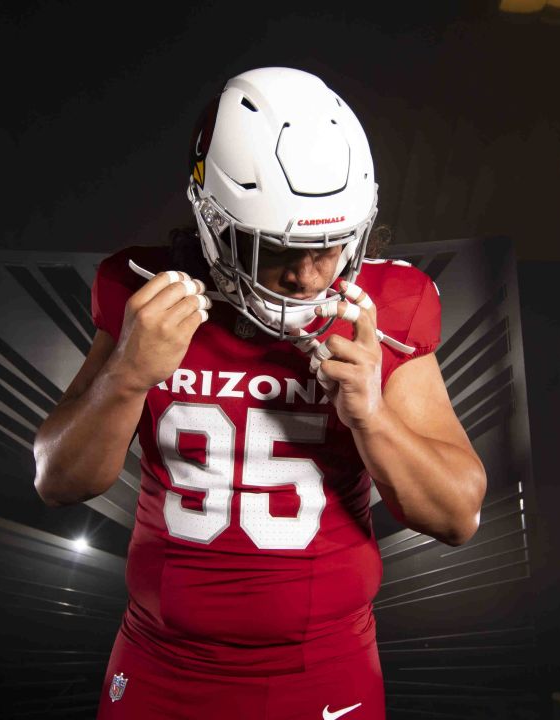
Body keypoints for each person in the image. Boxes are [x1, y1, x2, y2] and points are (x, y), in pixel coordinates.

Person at [32, 67, 486, 720]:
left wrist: (371, 415)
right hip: (162, 666)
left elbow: (457, 516)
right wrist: (127, 374)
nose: (306, 277)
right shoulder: (147, 296)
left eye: (328, 247)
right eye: (276, 251)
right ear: (214, 221)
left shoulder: (383, 309)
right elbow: (58, 478)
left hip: (323, 669)